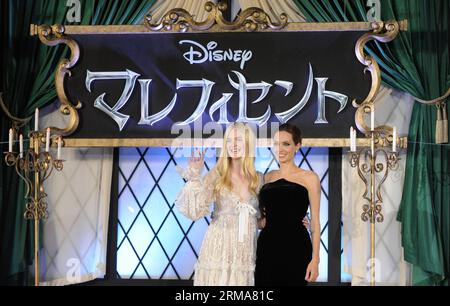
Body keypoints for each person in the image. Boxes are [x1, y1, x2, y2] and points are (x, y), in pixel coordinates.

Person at [175, 122, 263, 286]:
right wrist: (194, 174)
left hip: (244, 255)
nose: (233, 145)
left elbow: (261, 219)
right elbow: (194, 211)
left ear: (248, 143)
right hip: (218, 251)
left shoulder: (258, 179)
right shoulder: (217, 175)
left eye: (238, 140)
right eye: (229, 141)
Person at [255, 123, 321, 286]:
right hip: (267, 247)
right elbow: (261, 217)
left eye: (286, 144)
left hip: (296, 247)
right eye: (276, 144)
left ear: (297, 146)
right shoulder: (267, 177)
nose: (280, 149)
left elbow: (315, 223)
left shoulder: (309, 178)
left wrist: (315, 260)